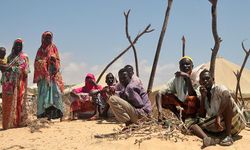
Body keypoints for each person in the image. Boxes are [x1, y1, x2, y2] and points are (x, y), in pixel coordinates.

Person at [189, 69, 245, 147]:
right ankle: (208, 139)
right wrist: (203, 97)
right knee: (191, 124)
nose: (205, 81)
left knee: (228, 101)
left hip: (234, 123)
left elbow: (227, 96)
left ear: (213, 79)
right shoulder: (201, 95)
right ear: (200, 82)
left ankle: (229, 136)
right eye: (203, 79)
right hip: (219, 127)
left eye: (207, 78)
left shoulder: (219, 88)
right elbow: (202, 115)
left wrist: (218, 115)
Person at [156, 56, 200, 122]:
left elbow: (193, 95)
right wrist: (160, 112)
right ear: (179, 67)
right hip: (183, 105)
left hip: (196, 106)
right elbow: (159, 93)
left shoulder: (197, 77)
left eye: (187, 64)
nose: (185, 66)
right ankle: (179, 116)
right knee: (164, 96)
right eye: (182, 65)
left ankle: (191, 118)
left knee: (191, 99)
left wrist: (187, 77)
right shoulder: (177, 78)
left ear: (192, 66)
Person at [34, 31, 64, 121]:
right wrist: (43, 63)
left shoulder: (54, 47)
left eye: (49, 38)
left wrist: (54, 61)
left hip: (54, 76)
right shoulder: (40, 50)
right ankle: (44, 116)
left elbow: (58, 59)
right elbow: (36, 62)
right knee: (43, 96)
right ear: (43, 38)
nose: (48, 39)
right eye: (46, 38)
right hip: (44, 77)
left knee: (56, 94)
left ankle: (59, 115)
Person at [1, 39, 30, 129]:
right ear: (13, 45)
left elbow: (25, 69)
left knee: (20, 101)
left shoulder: (24, 56)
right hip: (10, 83)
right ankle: (11, 123)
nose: (18, 46)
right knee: (10, 102)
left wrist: (12, 69)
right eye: (16, 44)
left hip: (20, 82)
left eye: (20, 45)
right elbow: (4, 69)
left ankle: (20, 122)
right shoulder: (10, 57)